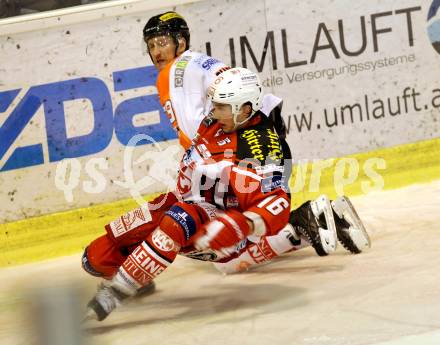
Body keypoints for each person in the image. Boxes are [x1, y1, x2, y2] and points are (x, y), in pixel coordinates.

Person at [83, 67, 369, 321]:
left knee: (199, 241)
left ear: (245, 109)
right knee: (96, 257)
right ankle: (307, 222)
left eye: (221, 106)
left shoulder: (260, 150)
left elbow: (276, 200)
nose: (213, 111)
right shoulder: (223, 117)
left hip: (219, 211)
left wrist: (244, 224)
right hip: (188, 196)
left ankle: (114, 293)